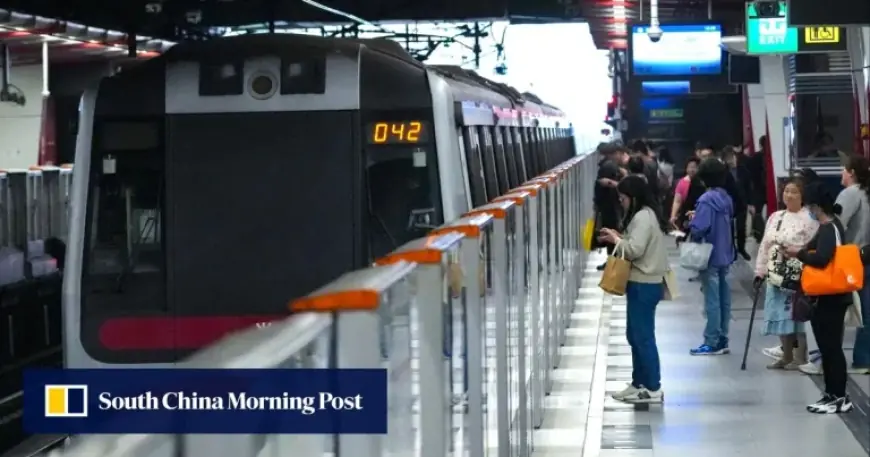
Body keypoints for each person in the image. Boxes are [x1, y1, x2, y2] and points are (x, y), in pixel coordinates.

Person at [782, 181, 853, 413]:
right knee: (829, 347)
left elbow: (821, 259)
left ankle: (837, 395)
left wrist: (799, 254)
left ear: (816, 207)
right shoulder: (834, 226)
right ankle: (833, 394)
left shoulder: (827, 228)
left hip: (829, 296)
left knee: (830, 347)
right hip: (833, 295)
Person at [599, 175, 668, 403]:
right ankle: (639, 382)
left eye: (623, 198)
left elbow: (634, 250)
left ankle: (653, 387)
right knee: (635, 335)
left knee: (643, 336)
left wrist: (616, 240)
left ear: (633, 197)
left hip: (644, 283)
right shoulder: (645, 215)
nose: (621, 202)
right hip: (641, 282)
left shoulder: (642, 217)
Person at [753, 178, 817, 369]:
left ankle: (800, 356)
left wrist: (794, 251)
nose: (789, 195)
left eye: (794, 192)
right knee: (780, 313)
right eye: (786, 191)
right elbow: (765, 245)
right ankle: (786, 354)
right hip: (776, 273)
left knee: (797, 314)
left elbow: (812, 246)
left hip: (797, 274)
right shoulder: (776, 216)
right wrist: (760, 271)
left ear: (802, 196)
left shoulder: (810, 219)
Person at [688, 158, 735, 355]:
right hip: (725, 253)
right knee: (724, 299)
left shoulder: (706, 200)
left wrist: (691, 220)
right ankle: (723, 337)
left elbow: (700, 228)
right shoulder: (726, 198)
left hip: (710, 255)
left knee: (712, 300)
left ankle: (711, 341)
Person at [836, 155, 870, 375]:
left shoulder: (850, 194)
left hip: (852, 257)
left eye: (843, 169)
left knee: (838, 309)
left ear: (852, 173)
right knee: (867, 309)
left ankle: (828, 358)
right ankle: (863, 358)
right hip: (868, 257)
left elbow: (837, 224)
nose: (841, 173)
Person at [595, 143, 628, 270]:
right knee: (612, 233)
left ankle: (613, 262)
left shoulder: (608, 166)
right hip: (612, 206)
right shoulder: (612, 166)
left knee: (611, 233)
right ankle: (613, 261)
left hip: (610, 206)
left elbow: (611, 188)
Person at [721, 148, 750, 260]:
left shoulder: (743, 170)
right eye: (728, 158)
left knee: (741, 227)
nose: (731, 160)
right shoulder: (724, 172)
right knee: (730, 228)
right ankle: (731, 250)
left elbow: (748, 187)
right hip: (729, 203)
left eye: (732, 157)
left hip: (742, 203)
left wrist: (750, 202)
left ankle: (742, 248)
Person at [669, 157, 700, 230]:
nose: (692, 170)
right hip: (685, 215)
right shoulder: (682, 183)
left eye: (695, 167)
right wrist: (673, 216)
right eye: (690, 167)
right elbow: (677, 201)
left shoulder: (702, 183)